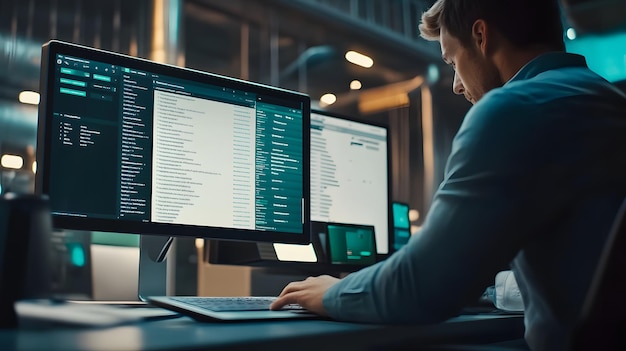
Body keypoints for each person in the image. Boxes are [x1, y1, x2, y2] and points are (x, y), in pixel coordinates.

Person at [270, 0, 626, 350]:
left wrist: (331, 292)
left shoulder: (513, 110)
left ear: (481, 36)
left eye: (453, 61)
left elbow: (421, 288)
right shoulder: (609, 102)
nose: (456, 85)